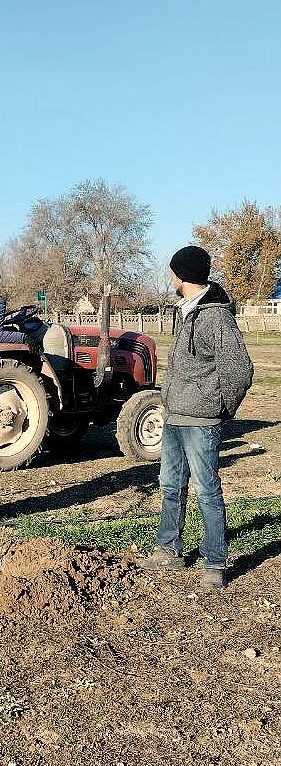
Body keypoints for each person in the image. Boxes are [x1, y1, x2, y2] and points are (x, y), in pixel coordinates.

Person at [143, 244, 253, 589]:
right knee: (170, 485)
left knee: (207, 491)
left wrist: (219, 409)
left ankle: (215, 563)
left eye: (173, 272)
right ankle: (168, 549)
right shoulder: (184, 310)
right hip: (174, 415)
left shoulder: (216, 317)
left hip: (201, 421)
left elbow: (240, 371)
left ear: (182, 276)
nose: (171, 277)